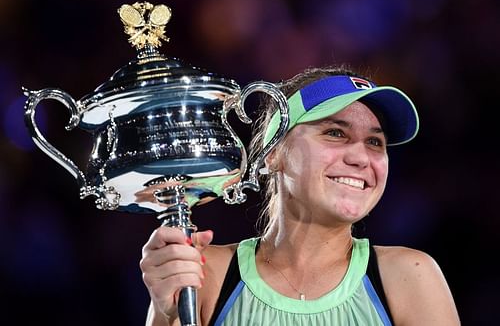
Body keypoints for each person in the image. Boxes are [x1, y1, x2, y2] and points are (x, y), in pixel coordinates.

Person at [139, 66, 461, 325]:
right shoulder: (206, 275)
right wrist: (165, 315)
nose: (362, 158)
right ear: (273, 152)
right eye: (335, 133)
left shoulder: (410, 278)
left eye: (375, 143)